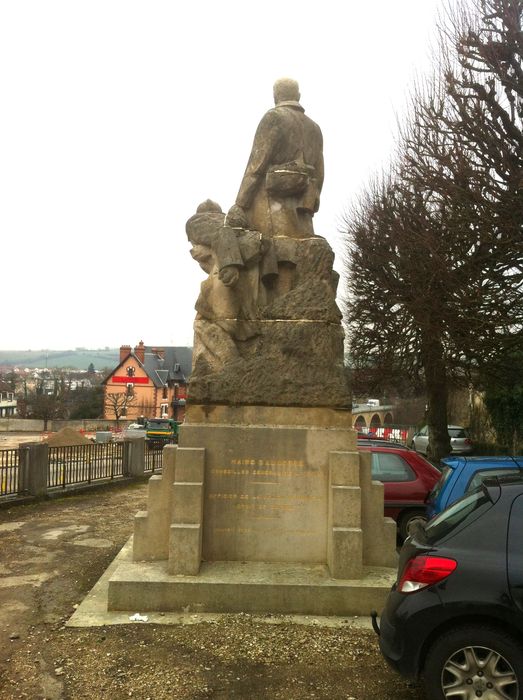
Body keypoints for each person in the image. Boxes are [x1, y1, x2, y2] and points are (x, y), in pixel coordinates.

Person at [228, 78, 324, 240]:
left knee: (271, 252)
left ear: (275, 95)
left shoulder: (274, 117)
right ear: (298, 96)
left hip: (273, 204)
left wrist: (241, 203)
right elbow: (319, 172)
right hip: (302, 207)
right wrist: (311, 203)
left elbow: (257, 164)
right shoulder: (315, 128)